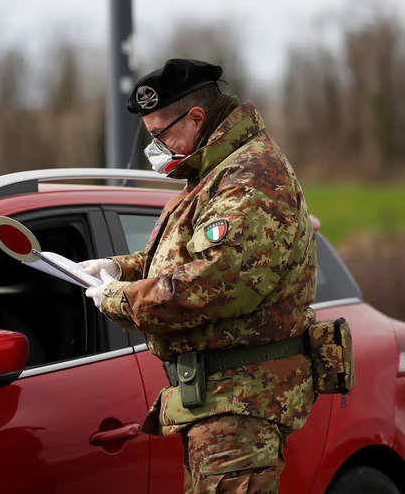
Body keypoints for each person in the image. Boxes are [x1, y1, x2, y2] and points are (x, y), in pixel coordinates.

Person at [82, 58, 316, 493]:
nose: (154, 147)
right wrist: (120, 267)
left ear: (196, 117)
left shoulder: (250, 176)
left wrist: (119, 297)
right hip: (217, 402)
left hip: (242, 404)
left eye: (159, 135)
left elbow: (214, 285)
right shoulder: (214, 171)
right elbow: (186, 256)